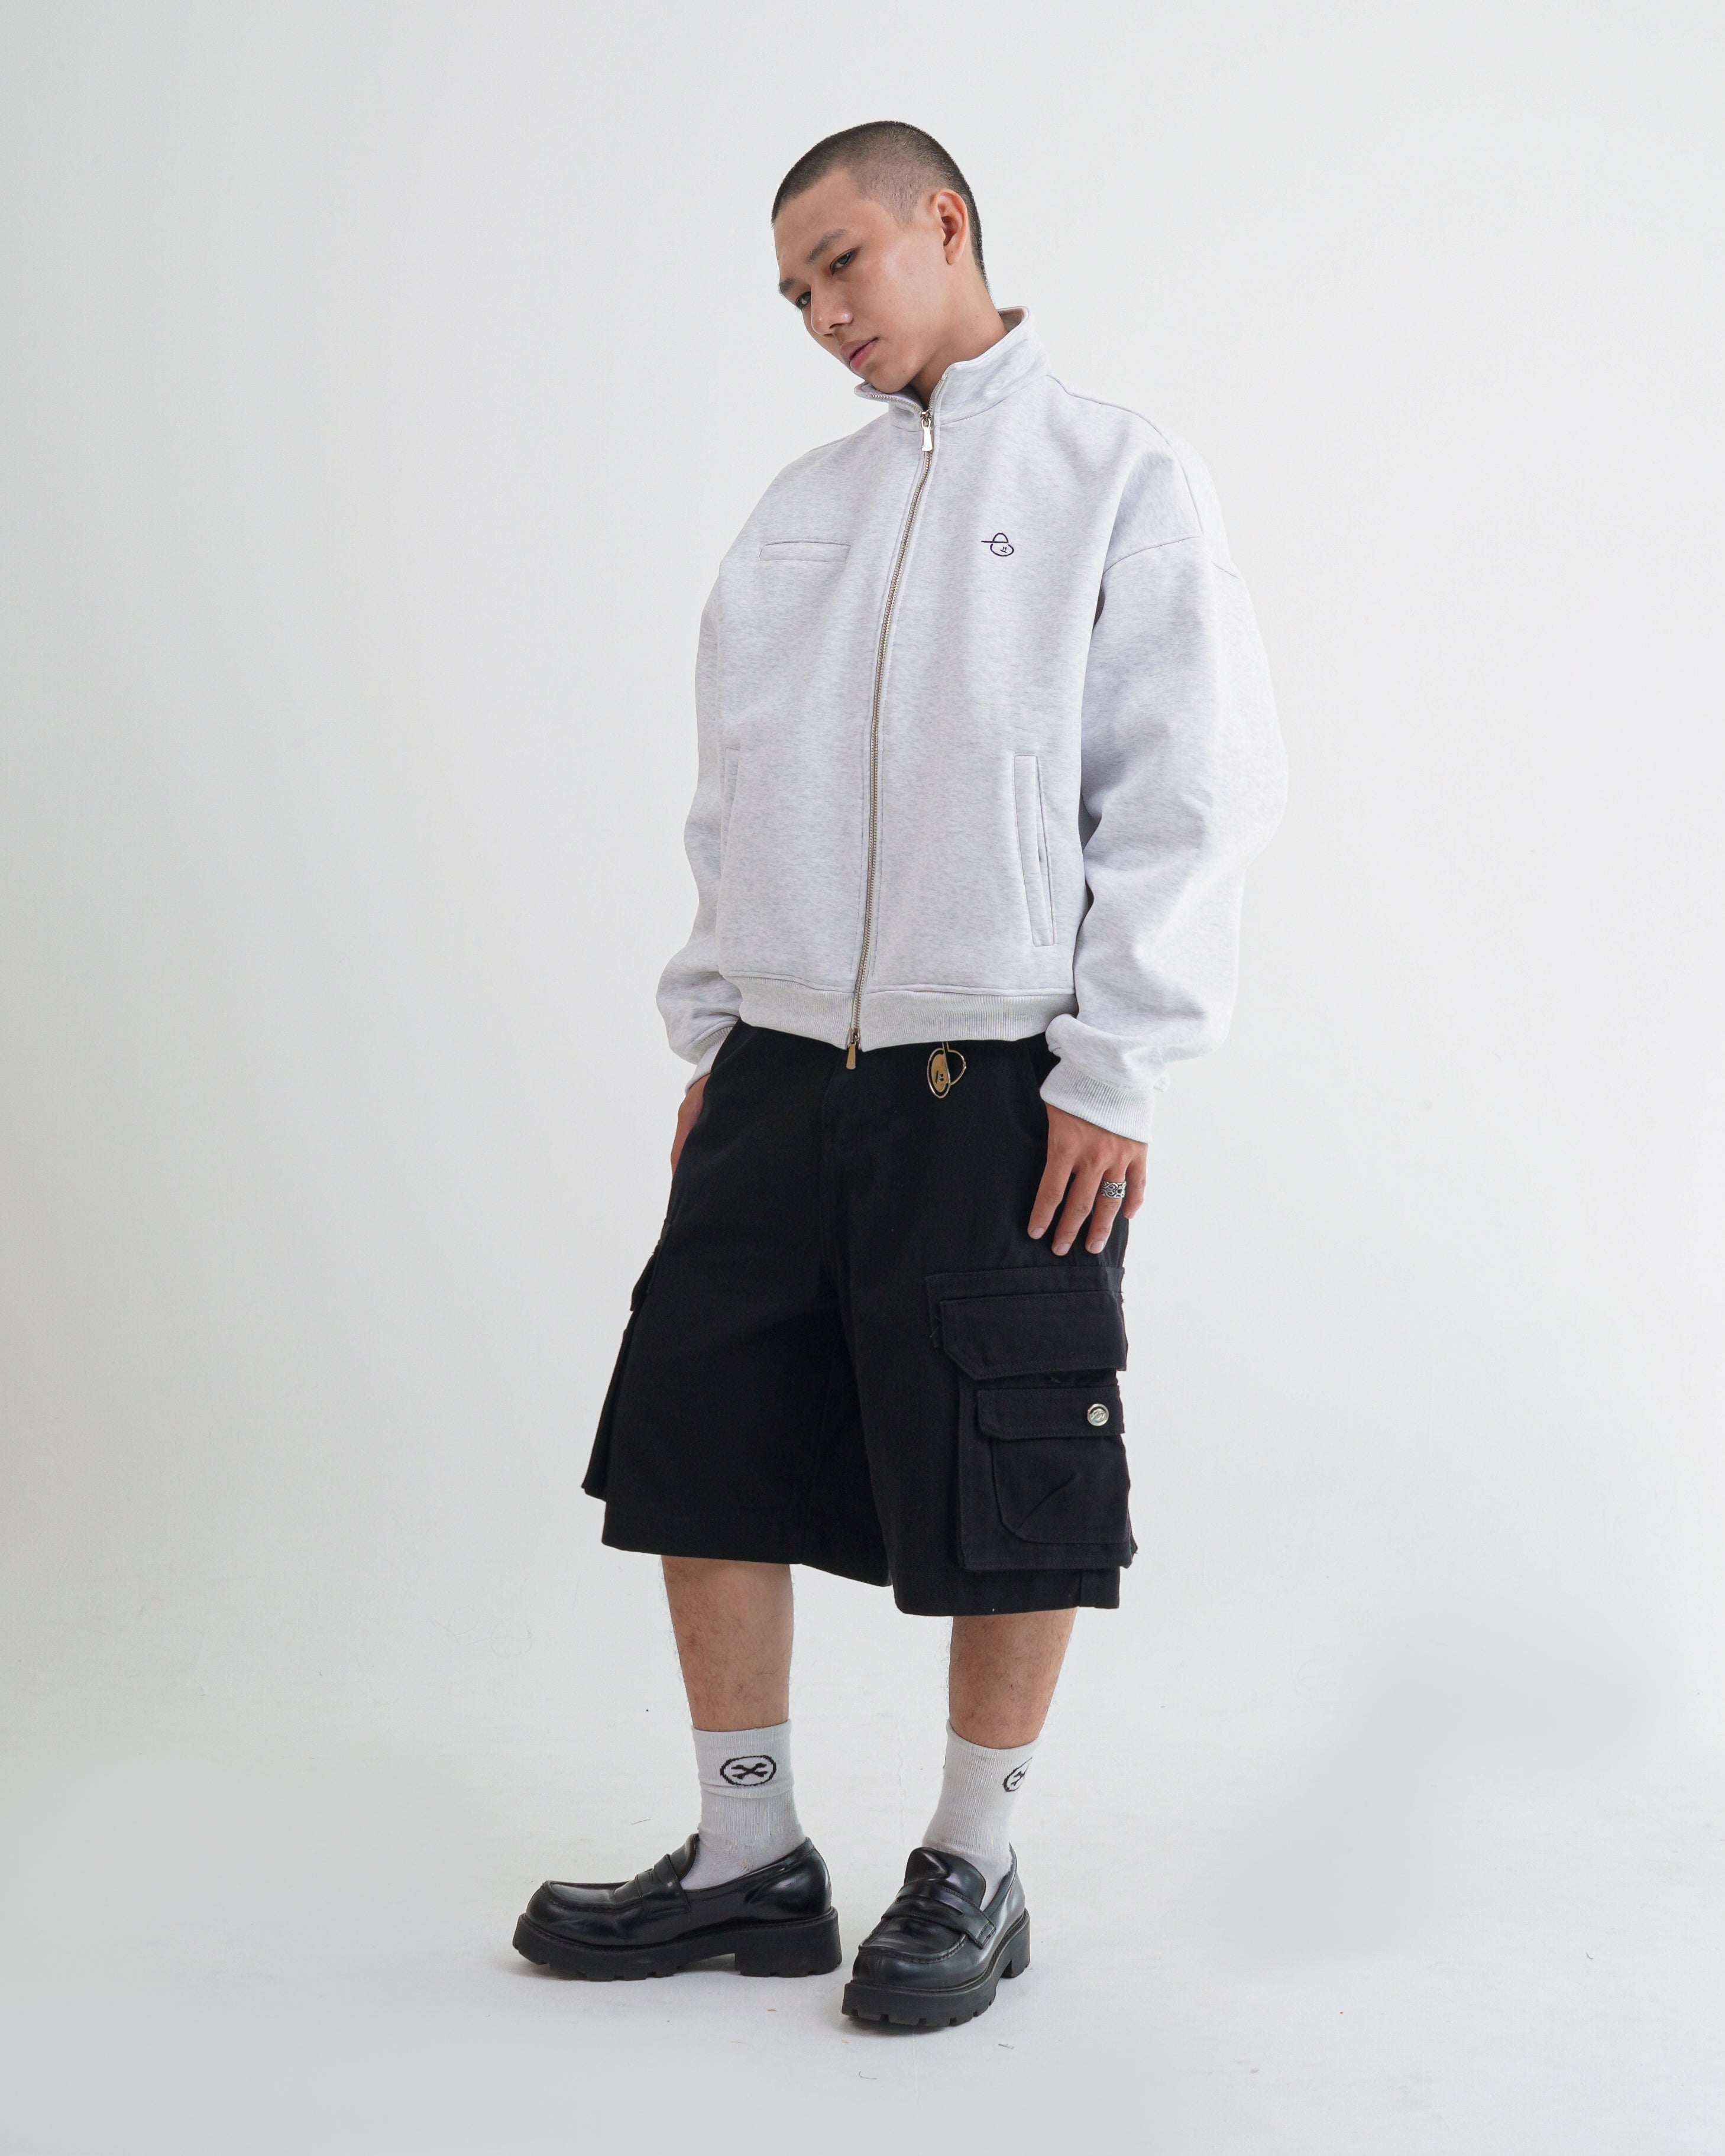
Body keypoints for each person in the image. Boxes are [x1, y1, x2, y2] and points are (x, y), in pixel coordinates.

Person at [512, 121, 1286, 2028]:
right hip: (782, 1070)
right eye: (794, 293)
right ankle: (747, 1858)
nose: (822, 315)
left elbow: (1191, 787)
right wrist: (721, 1030)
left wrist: (1116, 1064)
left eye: (842, 263)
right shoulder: (803, 509)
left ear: (946, 223)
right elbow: (736, 792)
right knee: (702, 1436)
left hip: (999, 1072)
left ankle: (973, 1861)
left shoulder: (1119, 475)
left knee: (1012, 1462)